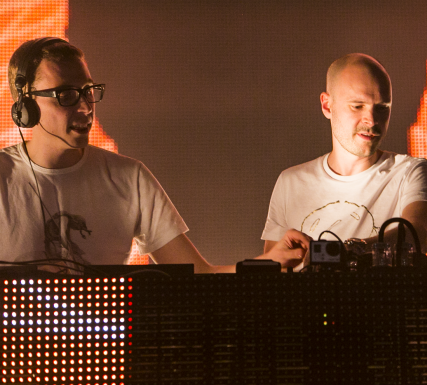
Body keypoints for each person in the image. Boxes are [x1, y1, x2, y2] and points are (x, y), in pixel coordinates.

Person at [0, 37, 309, 272]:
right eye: (66, 95)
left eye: (88, 91)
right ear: (25, 107)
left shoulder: (129, 178)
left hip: (103, 342)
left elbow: (198, 275)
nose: (85, 106)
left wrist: (269, 262)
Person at [261, 53, 427, 253]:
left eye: (382, 108)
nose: (371, 120)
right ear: (327, 105)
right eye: (357, 106)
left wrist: (343, 252)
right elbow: (274, 265)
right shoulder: (290, 182)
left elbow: (417, 234)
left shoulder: (409, 172)